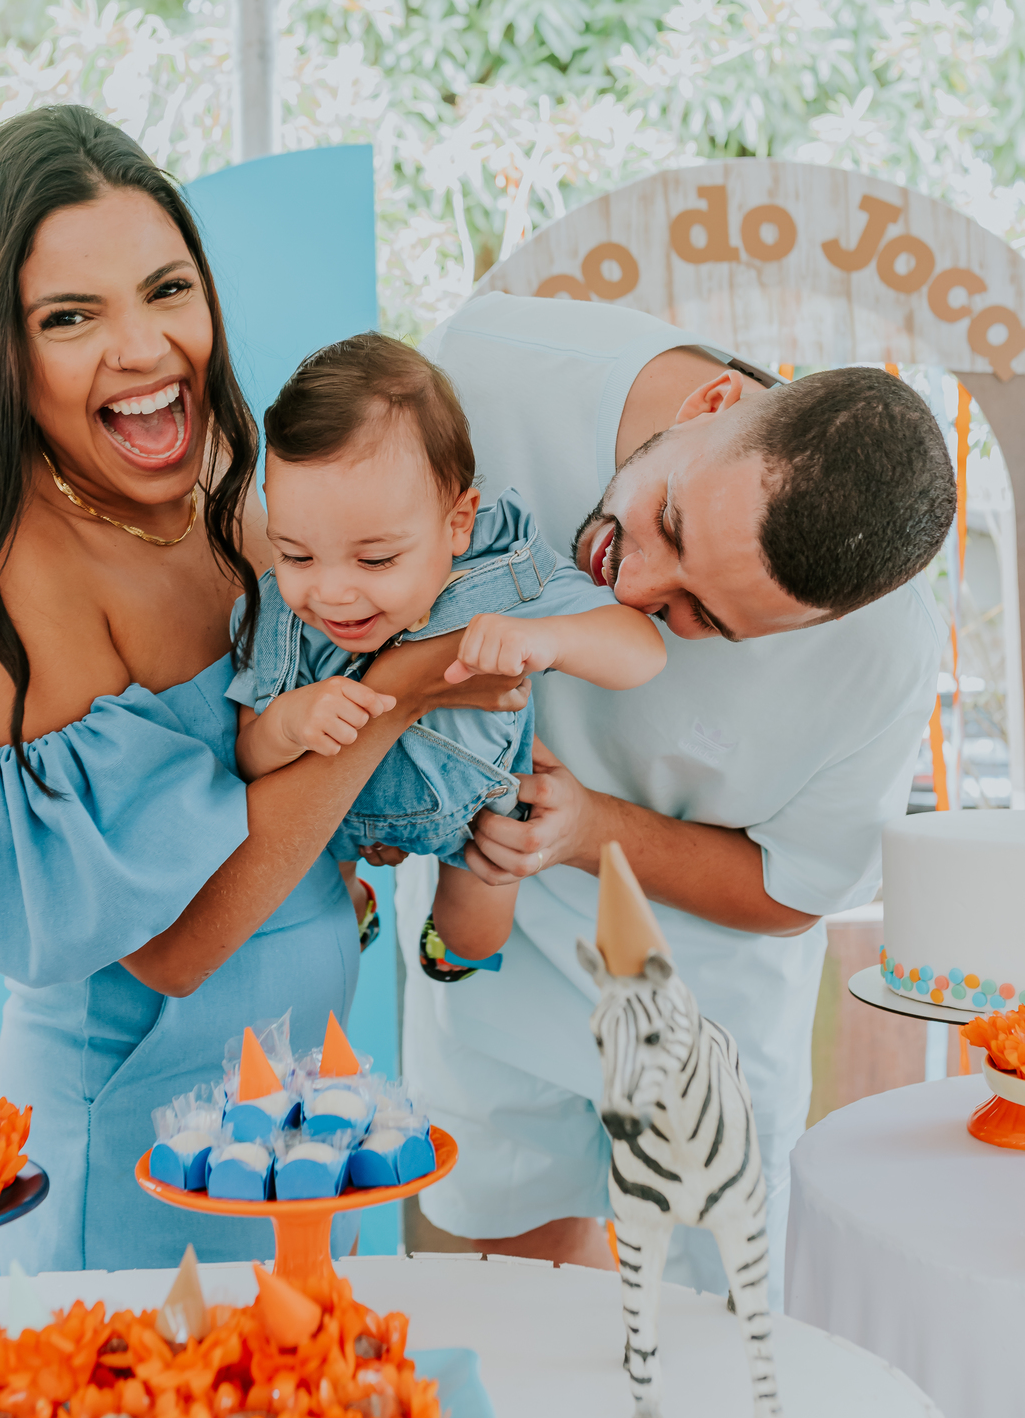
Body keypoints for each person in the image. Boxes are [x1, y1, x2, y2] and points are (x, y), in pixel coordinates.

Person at [0, 105, 525, 1274]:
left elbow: (290, 767)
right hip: (144, 1141)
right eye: (70, 316)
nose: (143, 348)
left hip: (301, 1106)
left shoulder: (221, 486)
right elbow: (174, 945)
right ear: (0, 351)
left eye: (167, 290)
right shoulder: (10, 568)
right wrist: (405, 694)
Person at [395, 291, 954, 1307]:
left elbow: (790, 890)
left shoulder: (884, 655)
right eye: (668, 522)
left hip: (705, 1006)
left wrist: (588, 830)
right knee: (515, 1307)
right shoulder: (483, 372)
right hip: (491, 963)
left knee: (716, 1338)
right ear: (713, 402)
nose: (634, 588)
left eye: (704, 618)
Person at [228, 335, 665, 971]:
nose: (331, 593)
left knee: (476, 937)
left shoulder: (500, 570)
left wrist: (549, 639)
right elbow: (247, 756)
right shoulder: (275, 616)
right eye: (296, 555)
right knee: (313, 902)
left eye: (375, 559)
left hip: (476, 807)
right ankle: (356, 899)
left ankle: (448, 945)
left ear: (458, 523)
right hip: (332, 814)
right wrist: (288, 725)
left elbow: (642, 651)